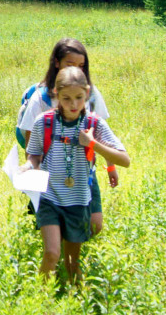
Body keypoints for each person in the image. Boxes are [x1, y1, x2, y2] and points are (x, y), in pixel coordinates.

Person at [25, 66, 130, 284]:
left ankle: (73, 297)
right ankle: (39, 299)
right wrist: (28, 167)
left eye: (79, 98)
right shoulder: (44, 122)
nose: (73, 105)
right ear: (56, 94)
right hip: (49, 197)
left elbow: (124, 159)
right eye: (66, 98)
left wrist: (93, 144)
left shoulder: (94, 124)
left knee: (72, 262)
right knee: (52, 253)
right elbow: (33, 155)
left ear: (87, 93)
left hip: (79, 201)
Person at [17, 37, 118, 236]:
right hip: (50, 173)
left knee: (94, 226)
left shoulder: (90, 93)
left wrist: (111, 166)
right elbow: (31, 145)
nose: (77, 71)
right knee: (54, 229)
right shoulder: (41, 97)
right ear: (56, 62)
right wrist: (31, 175)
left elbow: (102, 134)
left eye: (82, 66)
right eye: (70, 64)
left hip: (83, 170)